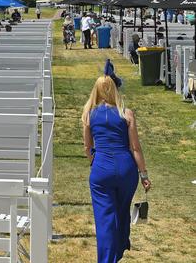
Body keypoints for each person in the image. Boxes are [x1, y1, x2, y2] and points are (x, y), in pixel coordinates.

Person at [82, 76, 151, 263]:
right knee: (122, 211)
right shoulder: (126, 113)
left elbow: (88, 147)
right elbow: (135, 148)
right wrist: (143, 174)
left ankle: (107, 258)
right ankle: (119, 248)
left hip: (101, 168)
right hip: (126, 168)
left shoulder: (89, 114)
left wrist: (95, 162)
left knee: (105, 219)